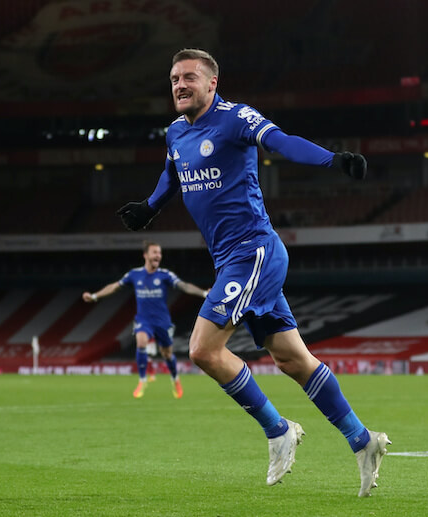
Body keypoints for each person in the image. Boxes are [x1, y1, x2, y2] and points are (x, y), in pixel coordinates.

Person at [116, 48, 390, 497]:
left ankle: (277, 429)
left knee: (203, 349)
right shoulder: (175, 132)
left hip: (255, 252)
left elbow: (279, 141)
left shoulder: (235, 117)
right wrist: (149, 208)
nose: (179, 85)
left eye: (189, 77)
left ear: (211, 84)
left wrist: (331, 160)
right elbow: (173, 175)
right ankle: (364, 441)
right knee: (292, 360)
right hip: (231, 260)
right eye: (173, 79)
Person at [82, 240, 208, 399]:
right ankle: (142, 380)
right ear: (146, 255)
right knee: (141, 342)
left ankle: (175, 379)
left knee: (167, 354)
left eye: (159, 253)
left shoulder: (165, 275)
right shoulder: (134, 275)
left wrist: (203, 293)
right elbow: (114, 286)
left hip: (162, 321)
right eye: (155, 252)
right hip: (144, 319)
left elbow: (184, 286)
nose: (158, 256)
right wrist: (94, 296)